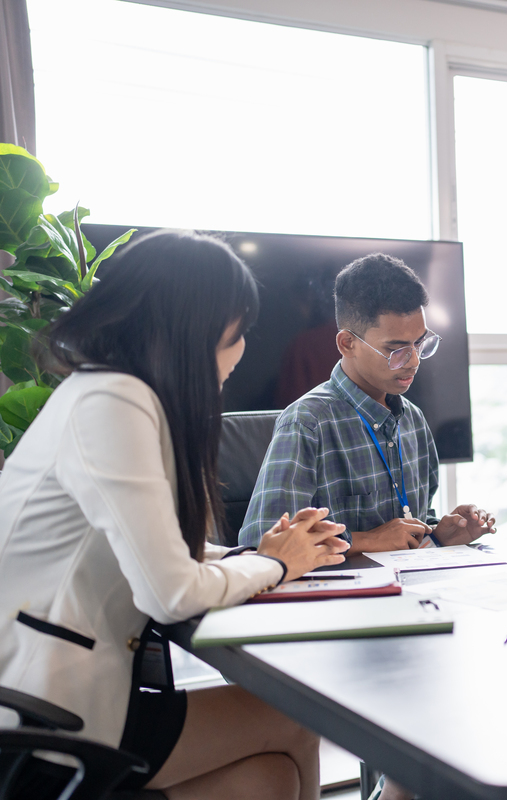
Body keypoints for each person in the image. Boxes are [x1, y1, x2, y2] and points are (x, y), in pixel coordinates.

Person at [0, 230, 350, 800]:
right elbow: (172, 594)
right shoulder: (114, 402)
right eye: (238, 331)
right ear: (199, 328)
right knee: (297, 719)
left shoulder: (105, 390)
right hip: (45, 719)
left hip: (55, 698)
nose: (241, 350)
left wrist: (256, 554)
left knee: (270, 780)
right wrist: (274, 565)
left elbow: (144, 543)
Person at [239, 253, 496, 555]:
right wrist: (366, 540)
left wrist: (439, 534)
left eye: (419, 344)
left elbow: (412, 523)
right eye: (396, 350)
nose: (413, 361)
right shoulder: (307, 423)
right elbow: (261, 542)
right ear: (347, 343)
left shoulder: (413, 421)